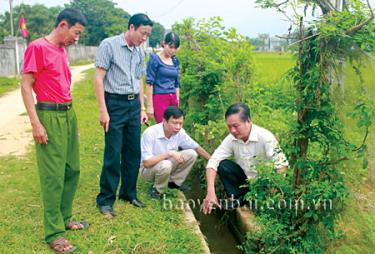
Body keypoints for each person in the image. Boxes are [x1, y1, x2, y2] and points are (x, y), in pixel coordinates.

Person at [21, 8, 87, 253]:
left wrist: (73, 123)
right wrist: (36, 123)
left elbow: (64, 87)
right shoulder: (37, 47)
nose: (77, 38)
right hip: (48, 115)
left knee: (72, 169)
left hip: (67, 114)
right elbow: (26, 86)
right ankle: (54, 233)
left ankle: (65, 217)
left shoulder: (62, 51)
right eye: (76, 32)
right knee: (53, 176)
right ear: (62, 24)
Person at [95, 13, 153, 217]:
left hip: (133, 106)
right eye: (142, 33)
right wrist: (103, 110)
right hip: (114, 104)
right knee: (113, 153)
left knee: (132, 152)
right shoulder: (109, 45)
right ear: (131, 28)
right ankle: (105, 200)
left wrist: (142, 108)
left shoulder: (139, 52)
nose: (144, 38)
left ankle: (128, 193)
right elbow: (99, 78)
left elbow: (139, 82)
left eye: (147, 35)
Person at [202, 103, 289, 214]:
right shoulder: (231, 139)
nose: (232, 130)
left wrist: (274, 192)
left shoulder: (265, 137)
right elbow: (213, 162)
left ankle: (258, 201)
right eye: (229, 127)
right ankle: (240, 198)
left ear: (248, 120)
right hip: (244, 182)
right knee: (222, 165)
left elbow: (281, 165)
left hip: (264, 184)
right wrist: (210, 192)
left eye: (236, 126)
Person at [140, 106, 211, 198]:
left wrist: (213, 161)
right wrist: (169, 153)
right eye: (174, 123)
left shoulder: (180, 133)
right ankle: (158, 190)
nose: (178, 127)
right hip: (148, 171)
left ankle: (173, 183)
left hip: (166, 166)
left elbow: (196, 147)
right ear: (164, 121)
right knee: (166, 164)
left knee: (192, 154)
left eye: (180, 123)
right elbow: (146, 163)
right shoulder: (150, 133)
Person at [146, 32, 181, 123]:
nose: (172, 50)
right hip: (160, 98)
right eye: (170, 47)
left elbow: (177, 83)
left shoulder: (175, 60)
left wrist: (177, 99)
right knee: (163, 127)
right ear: (164, 43)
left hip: (173, 98)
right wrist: (150, 106)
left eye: (175, 48)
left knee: (174, 126)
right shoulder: (155, 59)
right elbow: (149, 82)